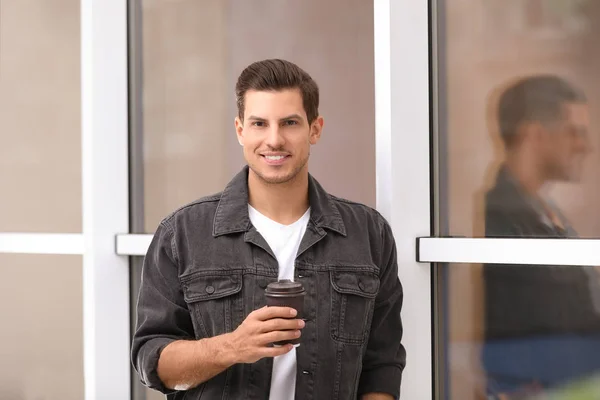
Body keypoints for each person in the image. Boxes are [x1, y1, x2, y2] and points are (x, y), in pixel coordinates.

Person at [131, 58, 405, 400]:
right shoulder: (183, 233)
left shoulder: (368, 233)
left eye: (289, 123)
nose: (274, 140)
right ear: (240, 130)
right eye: (259, 123)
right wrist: (233, 346)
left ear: (315, 129)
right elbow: (152, 361)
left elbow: (383, 363)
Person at [482, 75, 600, 398]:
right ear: (534, 135)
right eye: (574, 132)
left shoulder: (547, 214)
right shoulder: (497, 220)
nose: (585, 145)